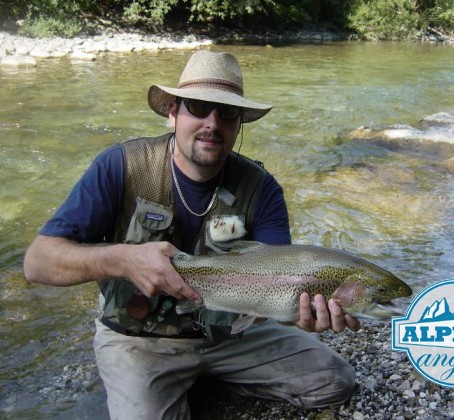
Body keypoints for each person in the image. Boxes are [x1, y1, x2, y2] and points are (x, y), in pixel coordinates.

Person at [23, 49, 360, 419]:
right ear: (173, 113)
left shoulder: (262, 189)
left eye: (227, 112)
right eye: (198, 107)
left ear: (239, 123)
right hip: (140, 340)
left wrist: (301, 314)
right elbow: (38, 263)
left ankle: (208, 378)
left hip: (231, 333)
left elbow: (276, 287)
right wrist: (123, 259)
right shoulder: (119, 166)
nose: (212, 123)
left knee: (335, 380)